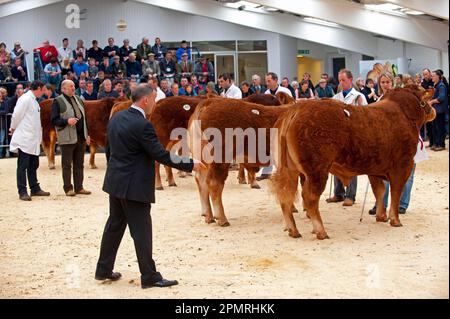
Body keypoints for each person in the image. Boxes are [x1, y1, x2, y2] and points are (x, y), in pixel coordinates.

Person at [95, 85, 204, 289]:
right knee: (142, 232)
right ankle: (149, 276)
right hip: (134, 186)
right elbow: (160, 155)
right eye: (153, 99)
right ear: (145, 100)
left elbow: (109, 150)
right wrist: (190, 164)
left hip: (115, 181)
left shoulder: (117, 117)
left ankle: (103, 269)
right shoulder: (143, 125)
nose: (155, 102)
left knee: (114, 226)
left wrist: (116, 172)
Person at [369, 72, 424, 215]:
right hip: (386, 144)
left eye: (387, 82)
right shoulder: (378, 99)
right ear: (379, 84)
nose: (385, 85)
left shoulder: (401, 98)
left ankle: (402, 204)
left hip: (406, 141)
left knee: (407, 174)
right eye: (382, 82)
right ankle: (381, 204)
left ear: (392, 83)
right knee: (383, 175)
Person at [326, 69, 367, 207]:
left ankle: (350, 195)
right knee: (336, 163)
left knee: (350, 166)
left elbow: (365, 116)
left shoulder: (359, 96)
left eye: (344, 80)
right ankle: (338, 193)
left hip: (353, 136)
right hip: (337, 136)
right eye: (340, 80)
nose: (341, 82)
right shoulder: (336, 97)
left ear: (350, 80)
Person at [9, 81, 51, 201]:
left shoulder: (33, 100)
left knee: (33, 165)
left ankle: (35, 188)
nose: (43, 92)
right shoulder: (25, 99)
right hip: (25, 137)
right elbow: (16, 115)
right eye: (42, 89)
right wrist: (13, 127)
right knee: (23, 165)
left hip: (32, 138)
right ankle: (22, 191)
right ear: (38, 88)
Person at [51, 80, 91, 197]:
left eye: (74, 86)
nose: (73, 88)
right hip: (67, 137)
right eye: (71, 86)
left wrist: (87, 134)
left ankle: (79, 187)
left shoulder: (78, 99)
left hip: (80, 136)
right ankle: (68, 188)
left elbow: (84, 118)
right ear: (63, 88)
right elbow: (54, 120)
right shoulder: (58, 101)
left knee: (79, 163)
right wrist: (66, 121)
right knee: (67, 164)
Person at [256, 72, 293, 181]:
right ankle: (266, 172)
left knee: (283, 149)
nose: (267, 83)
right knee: (269, 147)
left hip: (284, 123)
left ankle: (283, 171)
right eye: (266, 81)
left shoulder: (286, 91)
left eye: (269, 81)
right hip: (270, 124)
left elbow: (291, 107)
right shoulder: (266, 93)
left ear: (276, 80)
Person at [428, 70, 448, 151]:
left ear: (438, 77)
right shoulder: (435, 85)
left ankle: (441, 144)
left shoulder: (441, 86)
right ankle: (436, 143)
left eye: (433, 76)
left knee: (440, 128)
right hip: (435, 110)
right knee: (435, 128)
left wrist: (432, 101)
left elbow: (441, 98)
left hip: (440, 110)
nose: (432, 77)